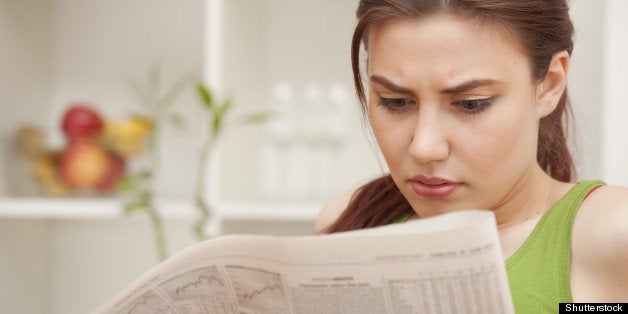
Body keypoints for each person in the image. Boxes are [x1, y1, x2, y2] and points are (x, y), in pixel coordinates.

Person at [315, 0, 628, 312]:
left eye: (470, 104)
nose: (424, 147)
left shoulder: (612, 235)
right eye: (395, 101)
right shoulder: (348, 222)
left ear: (549, 84)